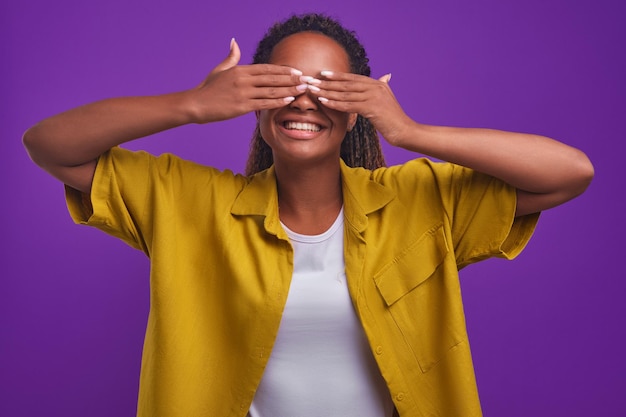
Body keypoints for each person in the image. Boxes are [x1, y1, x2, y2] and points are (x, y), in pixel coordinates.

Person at [23, 13, 593, 417]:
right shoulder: (186, 202)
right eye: (285, 83)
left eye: (328, 88)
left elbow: (570, 172)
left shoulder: (423, 200)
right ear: (256, 103)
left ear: (355, 112)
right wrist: (192, 105)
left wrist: (409, 130)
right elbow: (49, 144)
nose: (303, 101)